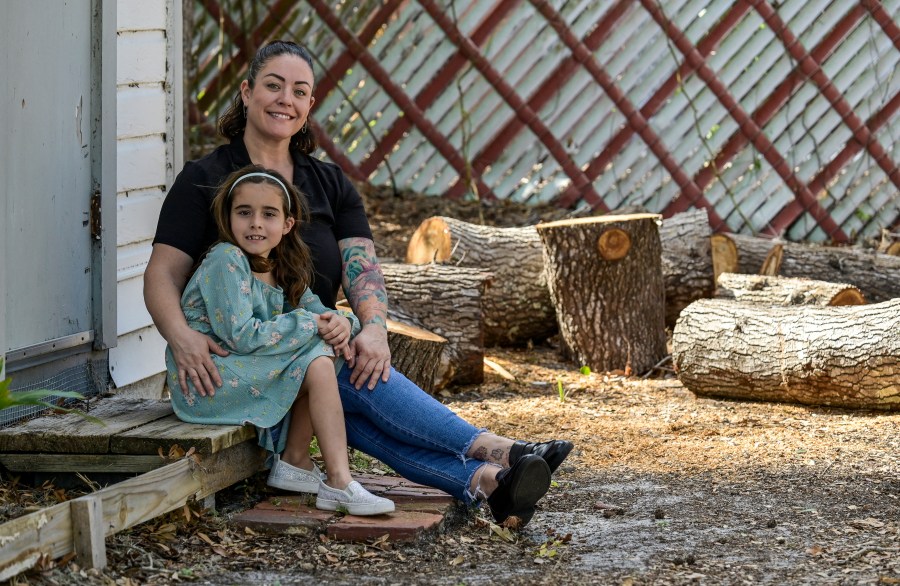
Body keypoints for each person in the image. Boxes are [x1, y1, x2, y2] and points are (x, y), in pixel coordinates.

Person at [145, 39, 572, 526]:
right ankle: (497, 449)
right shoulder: (206, 179)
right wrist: (182, 339)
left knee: (353, 371)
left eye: (299, 91)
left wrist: (371, 328)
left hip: (309, 343)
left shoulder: (329, 183)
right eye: (273, 85)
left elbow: (361, 267)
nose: (285, 98)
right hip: (241, 361)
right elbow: (161, 274)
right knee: (343, 368)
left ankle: (487, 483)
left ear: (310, 106)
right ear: (246, 93)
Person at [166, 165, 394, 516]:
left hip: (241, 369)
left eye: (268, 214)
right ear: (228, 218)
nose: (256, 223)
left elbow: (316, 310)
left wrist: (341, 323)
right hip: (209, 378)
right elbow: (241, 336)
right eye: (244, 212)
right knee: (316, 352)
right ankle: (335, 480)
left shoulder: (280, 265)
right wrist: (312, 324)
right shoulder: (226, 260)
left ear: (287, 224)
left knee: (323, 353)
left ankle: (297, 462)